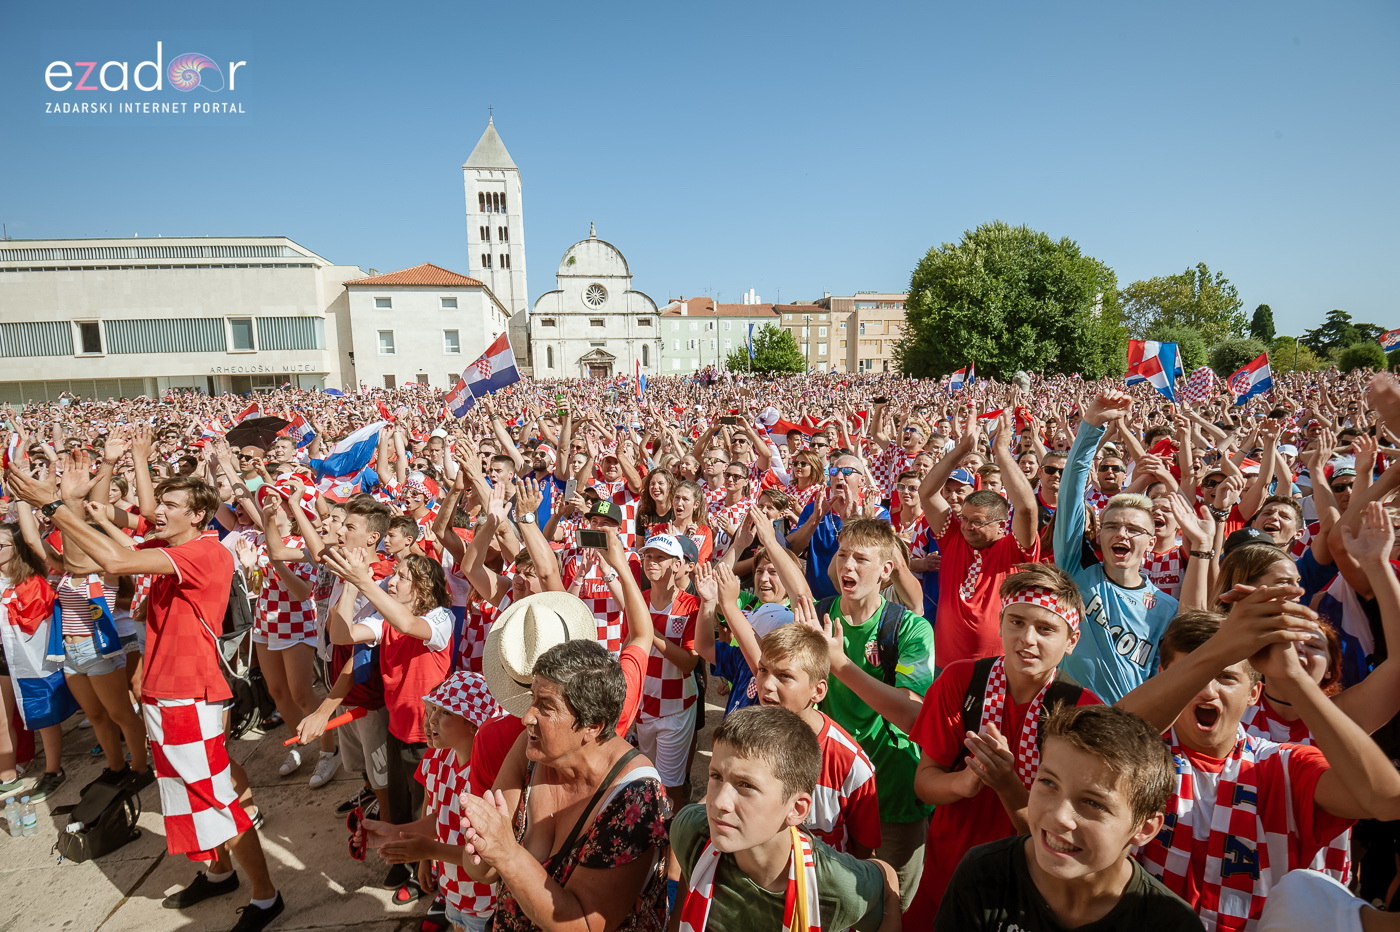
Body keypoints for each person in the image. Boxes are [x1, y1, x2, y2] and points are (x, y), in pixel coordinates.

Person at [6, 459, 285, 931]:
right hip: (162, 692)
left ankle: (266, 897)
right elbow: (76, 563)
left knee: (217, 799)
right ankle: (219, 873)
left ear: (197, 515)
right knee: (184, 795)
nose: (160, 511)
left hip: (189, 694)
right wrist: (71, 503)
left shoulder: (206, 551)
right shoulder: (165, 546)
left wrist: (52, 504)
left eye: (171, 505)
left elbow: (115, 562)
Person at [1118, 594, 1400, 931]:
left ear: (1253, 693)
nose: (1207, 691)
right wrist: (1221, 648)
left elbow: (1387, 801)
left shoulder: (1282, 764)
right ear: (1162, 676)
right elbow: (1107, 741)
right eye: (1194, 673)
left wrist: (1293, 678)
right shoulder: (1138, 758)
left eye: (1226, 677)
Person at [907, 563, 1100, 924]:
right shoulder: (960, 680)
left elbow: (1062, 832)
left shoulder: (1083, 711)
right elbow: (924, 784)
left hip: (1027, 889)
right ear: (1000, 623)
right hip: (947, 873)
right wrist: (964, 783)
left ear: (1071, 641)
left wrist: (1006, 784)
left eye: (1046, 629)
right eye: (1017, 622)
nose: (1027, 639)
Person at [458, 637, 670, 932]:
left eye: (545, 706)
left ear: (592, 726)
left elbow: (583, 926)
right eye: (532, 698)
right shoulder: (532, 749)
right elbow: (480, 869)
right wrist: (484, 845)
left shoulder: (635, 797)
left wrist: (506, 852)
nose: (526, 717)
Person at [934, 704, 1203, 931]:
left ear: (1144, 828)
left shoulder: (1171, 922)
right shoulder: (984, 874)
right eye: (1049, 783)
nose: (1060, 816)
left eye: (1092, 803)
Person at [671, 705, 899, 932]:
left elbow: (887, 885)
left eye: (746, 785)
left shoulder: (836, 888)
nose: (720, 802)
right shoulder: (691, 831)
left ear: (797, 809)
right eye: (716, 776)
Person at [811, 517, 934, 909]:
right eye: (842, 555)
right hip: (827, 795)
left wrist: (840, 663)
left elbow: (912, 716)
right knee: (826, 903)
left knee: (884, 908)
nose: (848, 566)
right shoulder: (818, 617)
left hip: (891, 797)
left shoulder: (911, 629)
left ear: (886, 570)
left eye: (861, 559)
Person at [1055, 390, 1190, 703]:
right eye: (1112, 526)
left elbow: (1163, 681)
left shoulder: (1166, 608)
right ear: (1100, 535)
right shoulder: (1076, 570)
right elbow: (1071, 494)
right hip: (1063, 717)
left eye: (1133, 529)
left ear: (1150, 541)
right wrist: (1090, 427)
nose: (1121, 535)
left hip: (1124, 729)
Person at [365, 670, 503, 932]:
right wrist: (396, 833)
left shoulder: (486, 779)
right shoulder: (438, 760)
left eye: (445, 713)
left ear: (473, 724)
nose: (431, 720)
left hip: (484, 900)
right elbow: (438, 819)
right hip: (451, 890)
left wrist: (428, 851)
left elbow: (486, 857)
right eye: (433, 709)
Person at [0, 521, 69, 800]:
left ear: (16, 549)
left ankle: (53, 771)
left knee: (43, 715)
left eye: (1, 545)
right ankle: (6, 775)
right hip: (3, 655)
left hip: (29, 656)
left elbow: (37, 624)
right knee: (1, 719)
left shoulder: (32, 583)